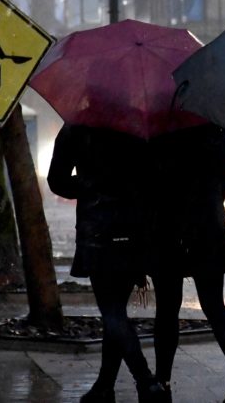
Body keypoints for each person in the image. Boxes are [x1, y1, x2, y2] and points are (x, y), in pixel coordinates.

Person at [47, 124, 166, 403]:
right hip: (133, 230)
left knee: (112, 312)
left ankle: (145, 381)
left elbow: (57, 181)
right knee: (116, 313)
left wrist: (90, 183)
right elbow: (153, 177)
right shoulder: (136, 125)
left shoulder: (76, 127)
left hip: (98, 232)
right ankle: (104, 386)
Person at [149, 123, 225, 403]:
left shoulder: (161, 130)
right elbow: (221, 185)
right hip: (209, 224)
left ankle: (163, 381)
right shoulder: (220, 133)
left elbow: (151, 183)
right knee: (214, 305)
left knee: (167, 308)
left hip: (169, 226)